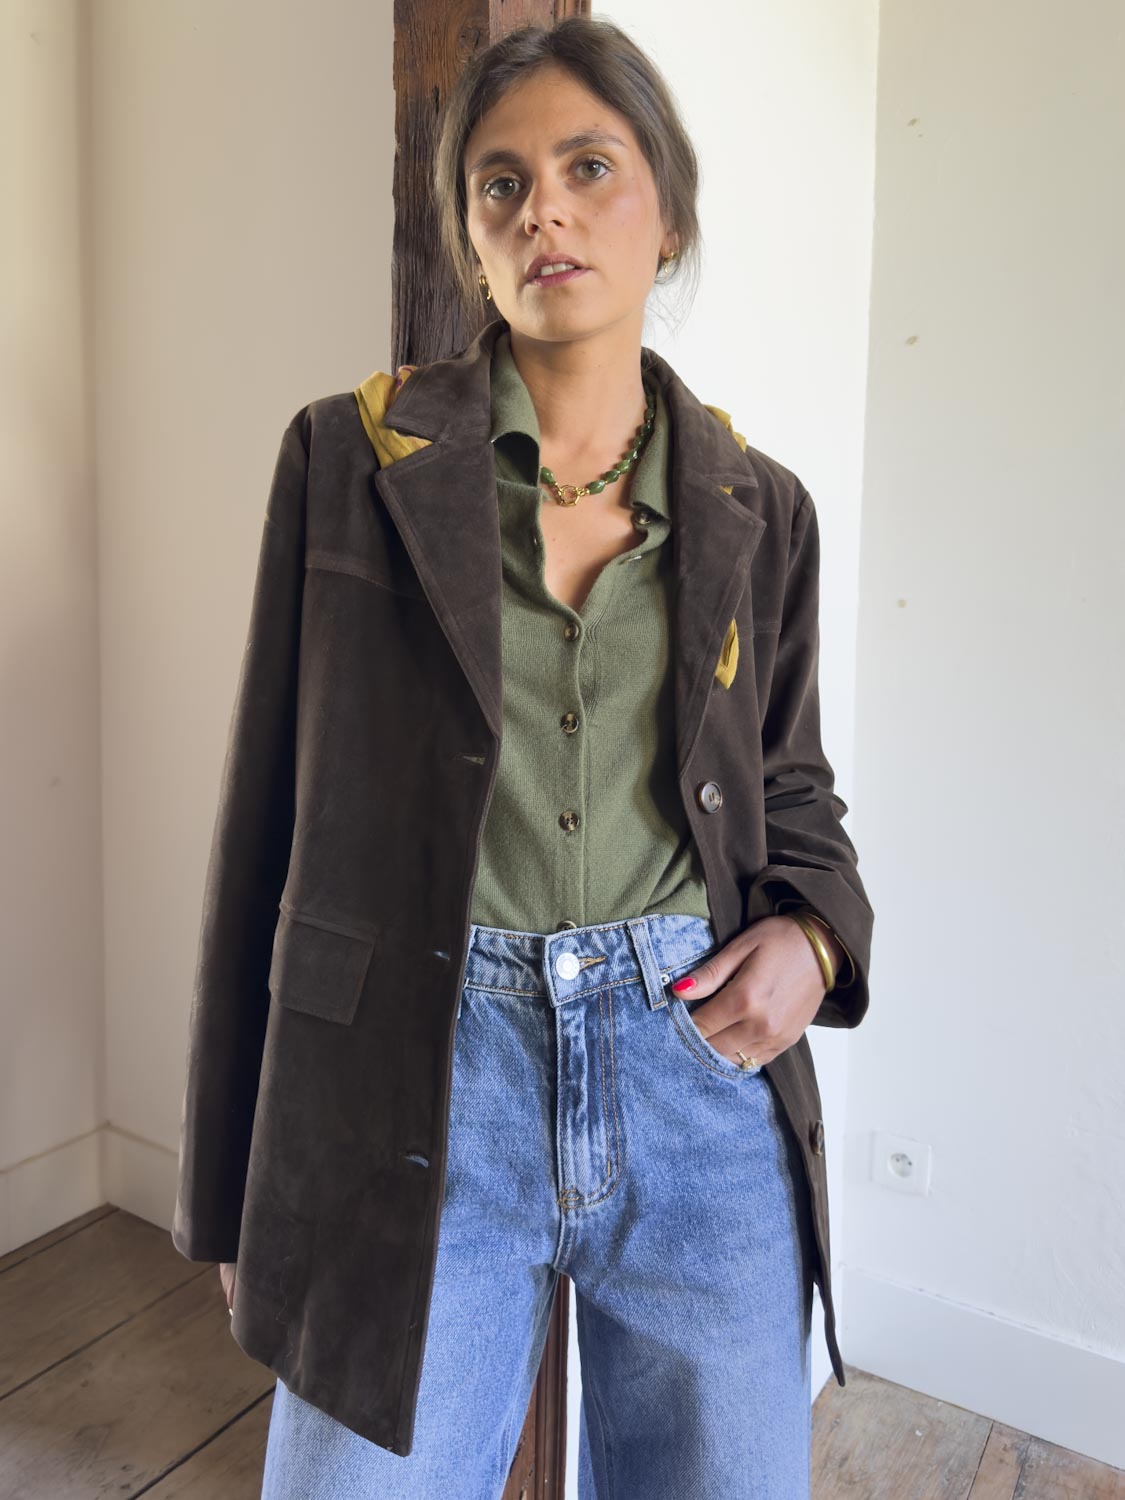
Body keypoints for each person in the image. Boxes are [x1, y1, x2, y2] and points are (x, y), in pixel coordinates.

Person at [175, 15, 873, 1499]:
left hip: (693, 1069)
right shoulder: (347, 464)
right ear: (474, 243)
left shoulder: (764, 509)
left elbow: (792, 789)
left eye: (589, 167)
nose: (544, 208)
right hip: (416, 1075)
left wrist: (815, 936)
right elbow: (265, 823)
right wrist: (237, 1184)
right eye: (502, 185)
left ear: (668, 216)